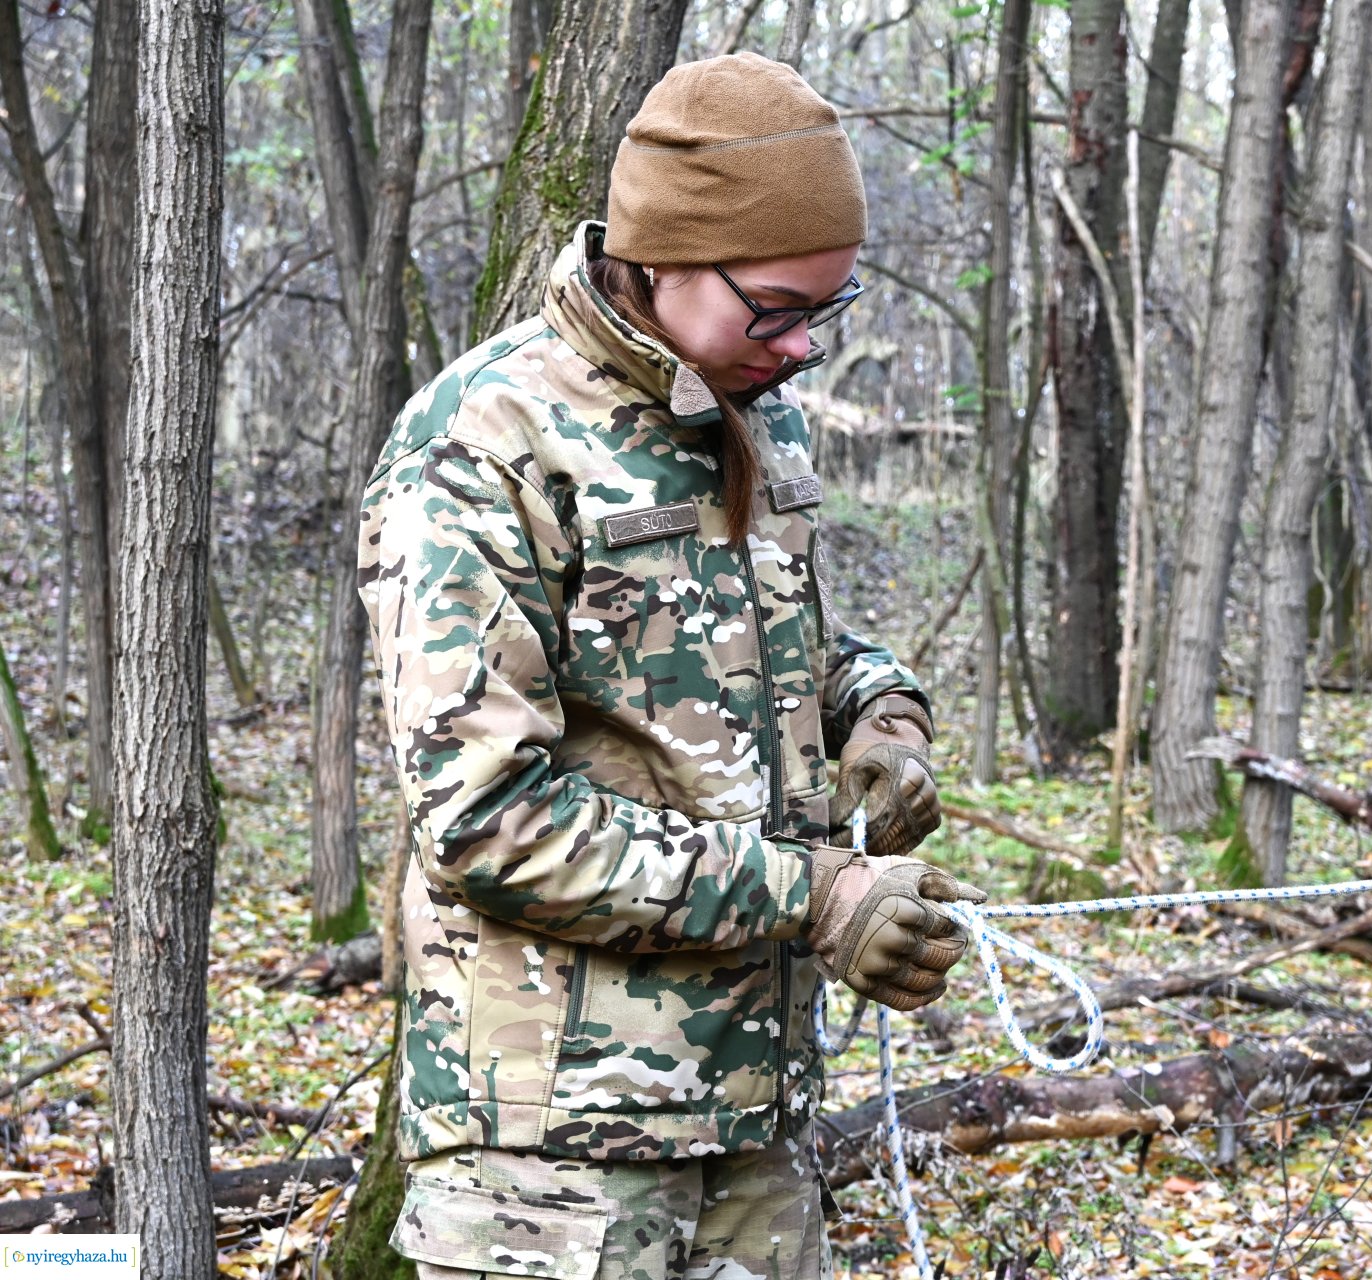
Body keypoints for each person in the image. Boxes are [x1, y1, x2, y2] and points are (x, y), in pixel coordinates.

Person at [358, 52, 983, 1280]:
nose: (803, 348)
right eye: (779, 309)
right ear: (666, 256)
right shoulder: (485, 441)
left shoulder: (756, 409)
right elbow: (487, 816)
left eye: (827, 309)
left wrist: (879, 715)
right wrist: (814, 895)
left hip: (750, 1122)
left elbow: (798, 637)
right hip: (551, 1159)